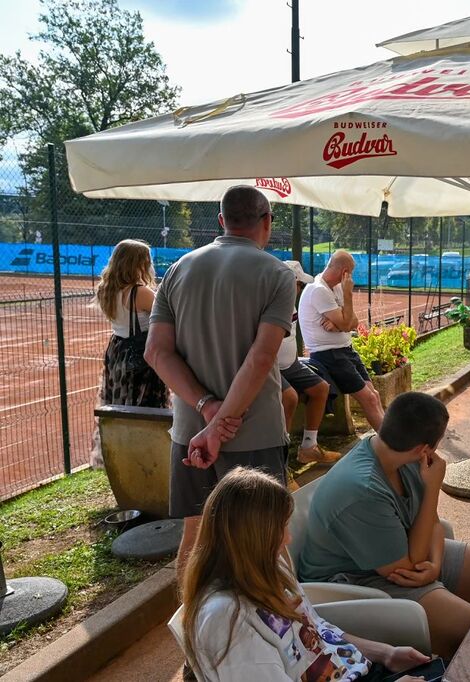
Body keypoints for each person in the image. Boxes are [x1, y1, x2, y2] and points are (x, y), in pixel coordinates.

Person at [146, 185, 294, 588]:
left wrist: (207, 409)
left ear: (221, 221)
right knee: (269, 539)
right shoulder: (277, 274)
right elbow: (260, 358)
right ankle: (284, 624)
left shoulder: (178, 269)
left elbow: (156, 352)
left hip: (190, 432)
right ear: (267, 222)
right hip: (254, 433)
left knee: (195, 533)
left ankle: (192, 623)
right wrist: (219, 423)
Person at [298, 393, 470, 659]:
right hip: (349, 580)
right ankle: (445, 658)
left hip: (399, 554)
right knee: (466, 625)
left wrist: (435, 565)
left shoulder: (403, 457)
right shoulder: (363, 489)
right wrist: (433, 488)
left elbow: (432, 522)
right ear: (424, 448)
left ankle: (451, 640)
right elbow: (409, 567)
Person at [181, 468, 433, 681]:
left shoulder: (269, 567)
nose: (288, 538)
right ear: (254, 538)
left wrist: (387, 654)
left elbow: (319, 631)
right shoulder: (228, 621)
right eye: (281, 528)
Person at [298, 250, 384, 433]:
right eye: (350, 273)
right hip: (329, 354)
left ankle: (390, 438)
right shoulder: (318, 290)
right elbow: (347, 323)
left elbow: (354, 323)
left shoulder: (335, 288)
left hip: (346, 350)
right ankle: (391, 443)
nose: (351, 278)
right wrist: (348, 296)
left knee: (374, 396)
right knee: (369, 399)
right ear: (345, 272)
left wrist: (339, 326)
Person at [94, 239, 169, 411]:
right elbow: (167, 316)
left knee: (121, 399)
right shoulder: (140, 292)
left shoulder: (106, 289)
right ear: (137, 263)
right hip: (140, 352)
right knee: (145, 401)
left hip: (117, 349)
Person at [278, 261, 341, 465]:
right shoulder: (273, 303)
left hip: (291, 364)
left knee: (321, 388)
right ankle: (281, 463)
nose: (300, 289)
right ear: (291, 283)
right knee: (290, 398)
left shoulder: (290, 303)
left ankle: (308, 447)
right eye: (300, 285)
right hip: (271, 367)